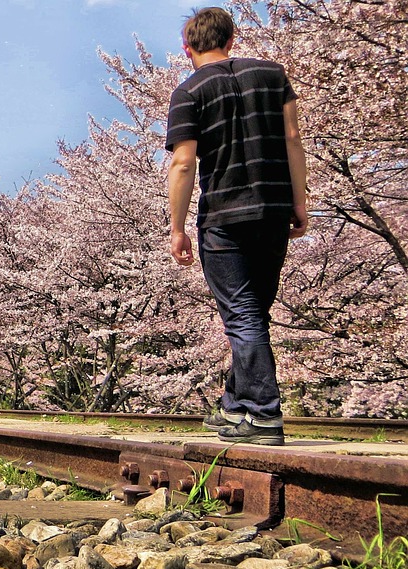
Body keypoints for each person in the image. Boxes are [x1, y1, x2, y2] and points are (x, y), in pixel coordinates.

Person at [166, 6, 307, 446]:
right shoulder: (272, 75)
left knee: (242, 315)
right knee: (253, 313)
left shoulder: (189, 90)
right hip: (273, 209)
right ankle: (235, 407)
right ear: (232, 39)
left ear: (186, 47)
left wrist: (177, 226)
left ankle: (264, 415)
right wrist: (300, 202)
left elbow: (184, 162)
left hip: (225, 216)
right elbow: (292, 139)